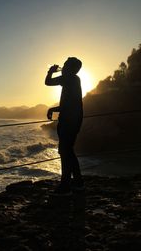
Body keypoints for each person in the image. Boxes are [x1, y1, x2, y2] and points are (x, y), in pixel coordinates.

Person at [45, 57, 84, 195]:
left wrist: (50, 71)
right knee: (68, 151)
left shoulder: (69, 79)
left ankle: (65, 186)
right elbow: (70, 104)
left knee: (65, 152)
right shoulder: (74, 79)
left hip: (69, 121)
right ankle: (78, 183)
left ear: (71, 68)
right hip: (74, 120)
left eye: (66, 65)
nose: (64, 66)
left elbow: (48, 82)